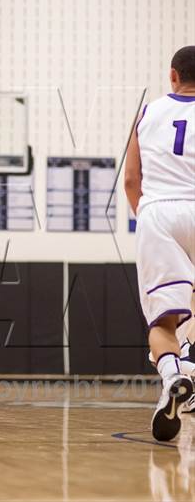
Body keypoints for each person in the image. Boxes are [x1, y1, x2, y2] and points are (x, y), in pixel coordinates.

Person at [125, 45, 195, 441]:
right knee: (188, 323)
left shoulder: (147, 113)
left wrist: (147, 218)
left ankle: (172, 376)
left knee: (163, 322)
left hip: (160, 213)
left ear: (172, 76)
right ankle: (181, 376)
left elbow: (131, 181)